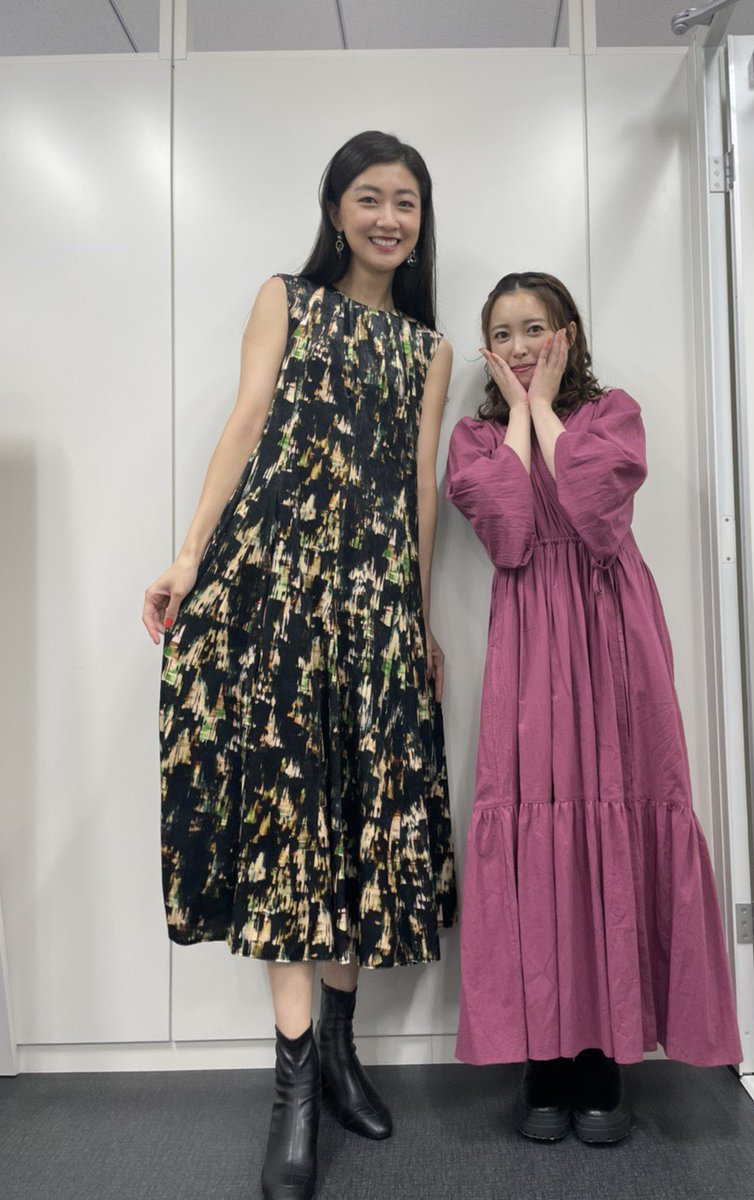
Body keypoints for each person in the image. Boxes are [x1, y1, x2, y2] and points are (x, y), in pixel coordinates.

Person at [142, 130, 457, 1200]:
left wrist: (419, 620)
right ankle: (292, 1091)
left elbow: (418, 491)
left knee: (360, 820)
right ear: (335, 211)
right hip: (273, 592)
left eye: (405, 201)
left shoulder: (427, 350)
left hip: (373, 608)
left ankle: (338, 1051)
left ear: (421, 220)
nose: (387, 217)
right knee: (289, 822)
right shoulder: (287, 298)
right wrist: (190, 554)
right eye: (369, 197)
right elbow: (245, 425)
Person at [445, 271, 741, 1145]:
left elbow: (595, 514)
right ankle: (544, 1057)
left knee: (617, 815)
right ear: (487, 348)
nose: (520, 346)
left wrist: (541, 412)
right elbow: (508, 535)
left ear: (567, 334)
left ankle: (605, 1055)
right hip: (531, 640)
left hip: (613, 636)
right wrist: (517, 417)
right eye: (504, 333)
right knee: (537, 822)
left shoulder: (612, 416)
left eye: (535, 328)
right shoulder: (475, 438)